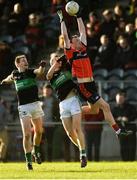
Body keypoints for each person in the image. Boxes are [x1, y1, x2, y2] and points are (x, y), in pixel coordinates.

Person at [57, 9, 132, 138]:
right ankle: (118, 131)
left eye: (78, 39)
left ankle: (71, 112)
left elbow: (82, 31)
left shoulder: (83, 49)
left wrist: (78, 16)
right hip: (84, 86)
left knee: (94, 110)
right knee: (105, 106)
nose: (79, 40)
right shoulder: (70, 53)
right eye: (75, 40)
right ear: (71, 44)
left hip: (91, 83)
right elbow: (64, 34)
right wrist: (62, 20)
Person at [1, 54, 46, 170]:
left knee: (39, 131)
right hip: (24, 107)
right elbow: (9, 78)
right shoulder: (15, 74)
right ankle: (29, 161)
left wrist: (42, 66)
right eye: (23, 60)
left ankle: (36, 151)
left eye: (26, 60)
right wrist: (4, 81)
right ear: (17, 64)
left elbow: (40, 71)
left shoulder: (30, 72)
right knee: (26, 134)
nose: (26, 62)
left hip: (35, 104)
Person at [46, 53, 87, 168]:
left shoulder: (66, 68)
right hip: (63, 105)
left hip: (74, 100)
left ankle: (82, 155)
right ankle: (81, 148)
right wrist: (55, 63)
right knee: (69, 133)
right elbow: (48, 75)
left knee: (77, 128)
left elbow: (68, 55)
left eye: (58, 59)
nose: (57, 61)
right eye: (54, 60)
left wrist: (60, 58)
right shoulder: (51, 77)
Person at [112, 90, 137, 161]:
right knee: (123, 146)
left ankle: (131, 160)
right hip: (121, 129)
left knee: (132, 145)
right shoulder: (114, 108)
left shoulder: (130, 107)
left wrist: (127, 119)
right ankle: (124, 160)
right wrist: (118, 119)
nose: (119, 100)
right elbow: (112, 118)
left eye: (121, 99)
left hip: (130, 128)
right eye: (118, 99)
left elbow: (135, 115)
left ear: (124, 99)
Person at [40, 83, 60, 161]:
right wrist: (40, 107)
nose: (47, 91)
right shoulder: (39, 99)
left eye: (49, 90)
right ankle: (41, 159)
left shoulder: (55, 100)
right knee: (39, 143)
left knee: (49, 143)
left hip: (51, 125)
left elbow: (58, 113)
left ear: (51, 91)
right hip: (40, 124)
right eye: (46, 90)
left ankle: (49, 160)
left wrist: (56, 122)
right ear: (43, 90)